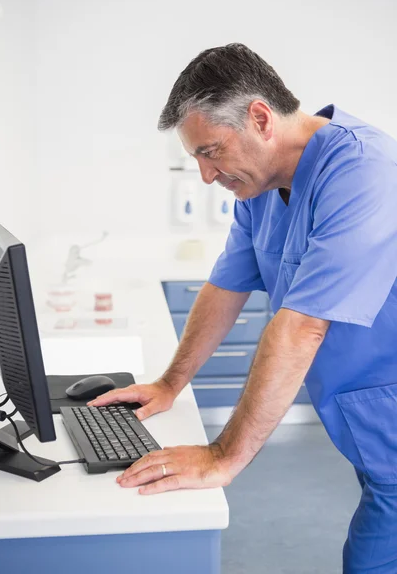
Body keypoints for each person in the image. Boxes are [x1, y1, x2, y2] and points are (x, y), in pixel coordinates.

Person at [89, 43, 397, 572]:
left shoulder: (364, 172)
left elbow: (300, 328)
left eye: (211, 151)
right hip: (374, 433)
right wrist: (170, 383)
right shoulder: (259, 189)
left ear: (260, 118)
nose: (207, 176)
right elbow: (224, 287)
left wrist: (222, 457)